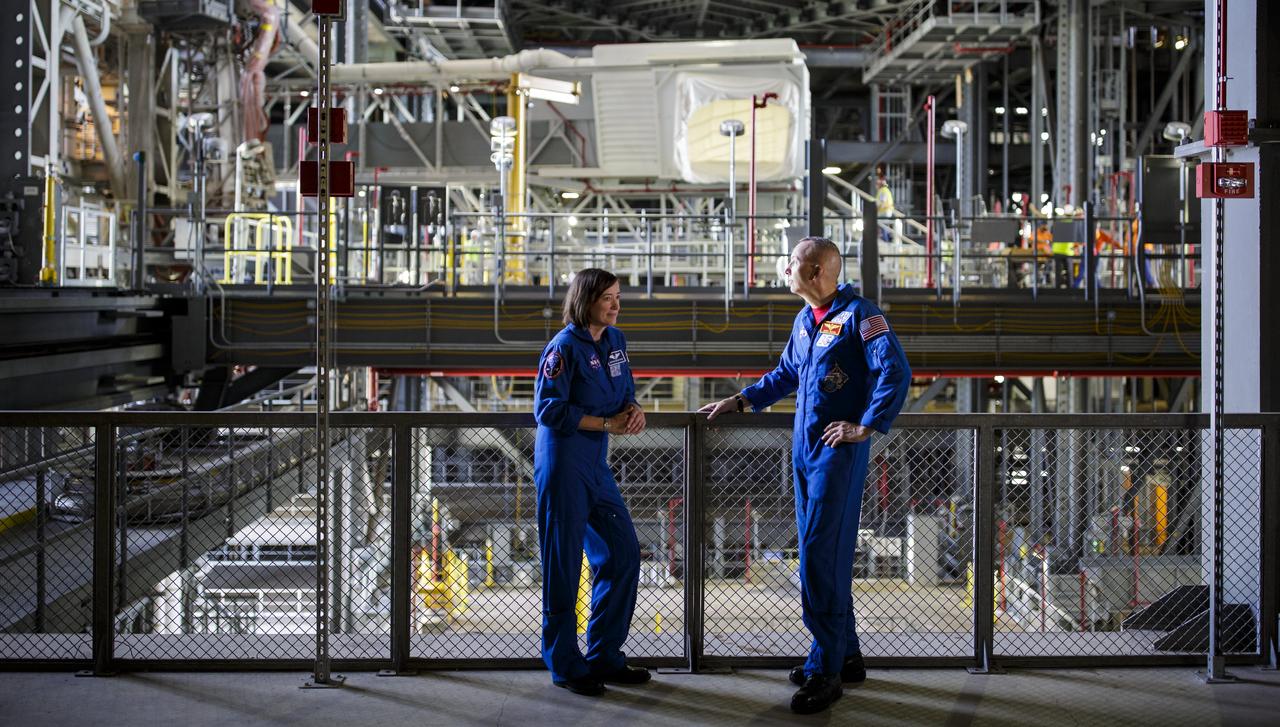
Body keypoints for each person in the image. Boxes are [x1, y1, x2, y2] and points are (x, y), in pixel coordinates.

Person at [699, 237, 911, 715]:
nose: (784, 269)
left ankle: (825, 668)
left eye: (791, 262)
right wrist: (741, 400)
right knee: (823, 555)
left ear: (816, 271)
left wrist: (867, 424)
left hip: (838, 452)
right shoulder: (804, 320)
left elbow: (895, 372)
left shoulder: (862, 315)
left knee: (819, 556)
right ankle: (847, 654)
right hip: (805, 450)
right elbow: (786, 374)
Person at [533, 268, 650, 696]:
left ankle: (603, 655)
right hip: (564, 462)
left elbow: (624, 391)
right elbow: (548, 410)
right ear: (586, 300)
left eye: (619, 297)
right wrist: (605, 422)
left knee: (622, 553)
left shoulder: (616, 342)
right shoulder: (563, 349)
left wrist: (633, 409)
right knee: (563, 566)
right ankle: (565, 664)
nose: (617, 305)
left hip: (596, 464)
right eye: (608, 298)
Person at [875, 169, 894, 243]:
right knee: (884, 226)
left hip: (884, 211)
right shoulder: (885, 190)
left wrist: (875, 209)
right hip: (886, 211)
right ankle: (887, 238)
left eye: (877, 184)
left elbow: (881, 202)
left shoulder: (883, 190)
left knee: (883, 227)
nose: (876, 185)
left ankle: (886, 240)